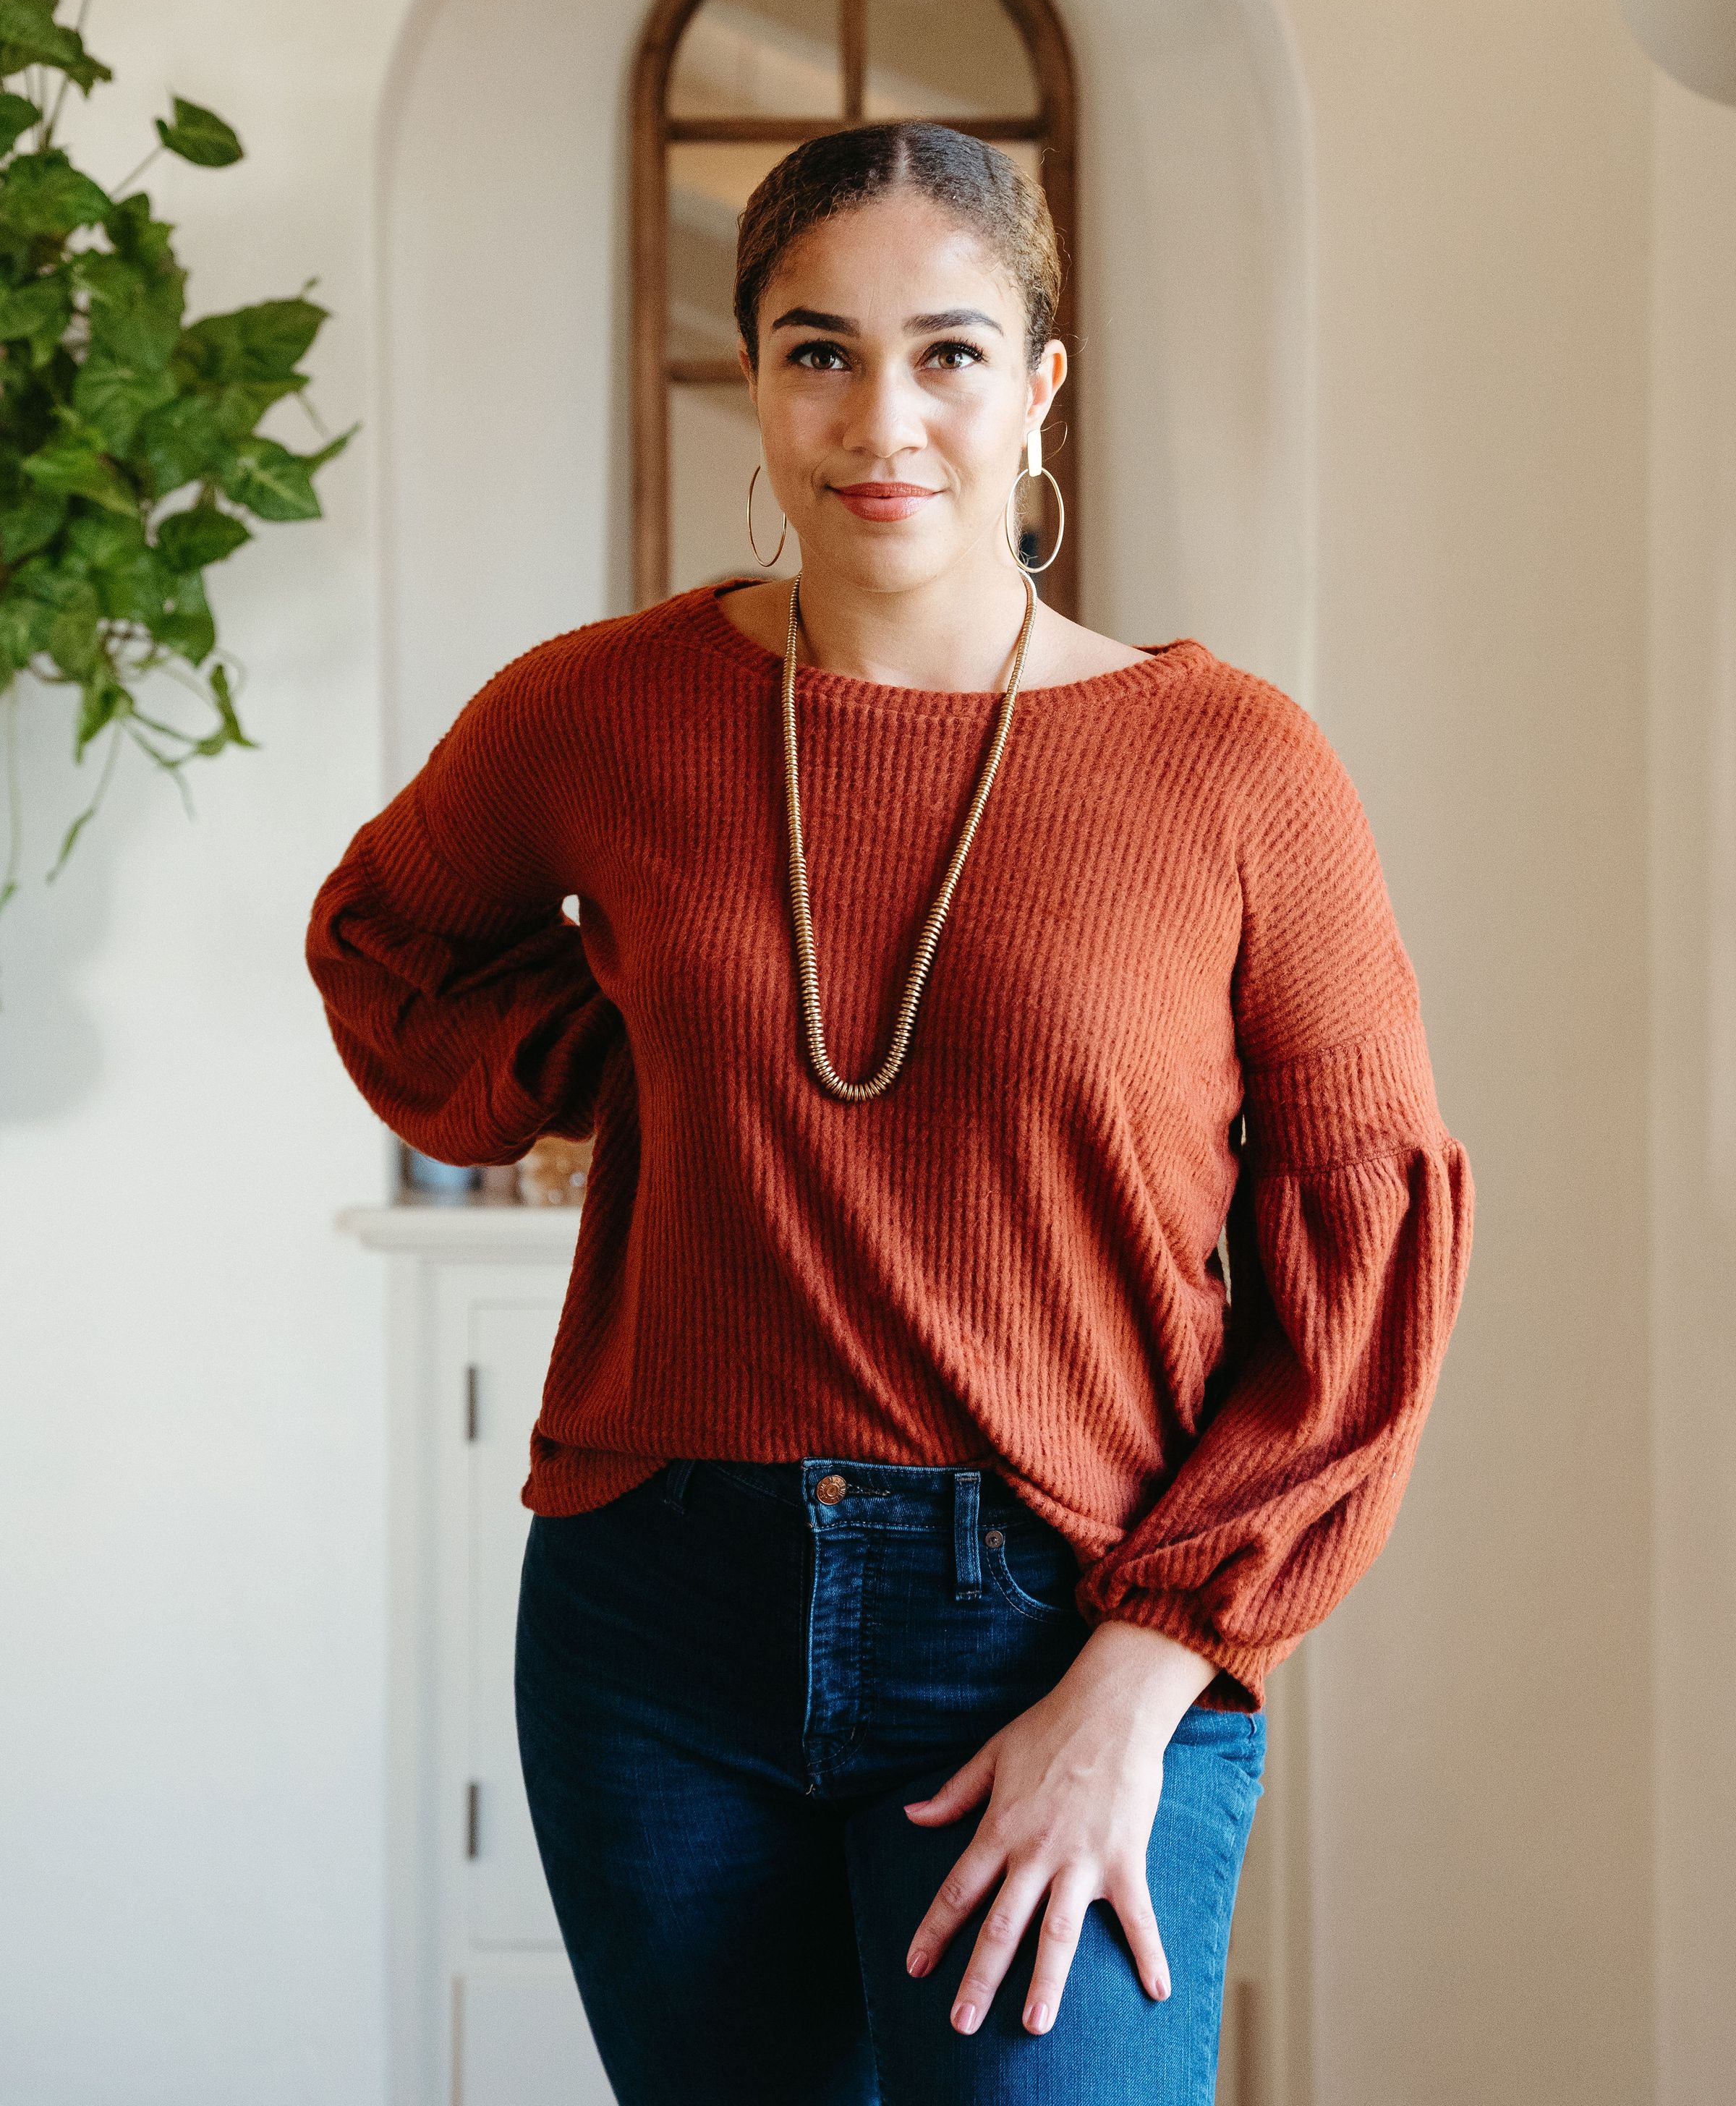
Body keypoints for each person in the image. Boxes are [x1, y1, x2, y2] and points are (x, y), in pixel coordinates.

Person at [306, 120, 1473, 2106]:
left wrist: (1144, 1672)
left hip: (1061, 1619)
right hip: (657, 1620)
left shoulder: (1233, 766)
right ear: (753, 379)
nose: (883, 416)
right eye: (815, 349)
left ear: (1038, 387)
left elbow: (1369, 1259)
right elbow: (387, 940)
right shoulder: (608, 713)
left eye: (947, 351)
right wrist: (621, 1056)